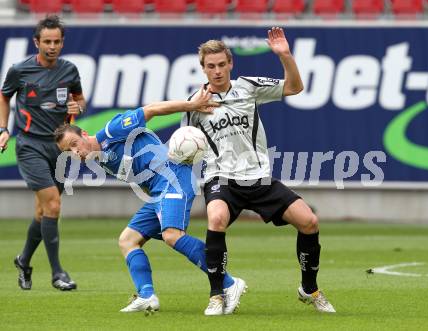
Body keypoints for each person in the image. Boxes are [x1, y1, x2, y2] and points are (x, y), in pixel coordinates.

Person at [183, 27, 336, 315]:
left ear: (231, 64)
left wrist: (285, 56)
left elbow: (295, 88)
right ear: (203, 68)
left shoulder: (248, 87)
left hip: (259, 177)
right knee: (216, 219)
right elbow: (185, 146)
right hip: (221, 177)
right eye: (210, 66)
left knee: (309, 221)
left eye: (221, 64)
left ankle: (309, 288)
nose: (216, 71)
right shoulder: (195, 104)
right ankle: (217, 295)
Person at [54, 88, 246, 313]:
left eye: (75, 143)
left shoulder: (111, 131)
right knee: (128, 240)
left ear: (84, 134)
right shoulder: (100, 160)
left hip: (173, 179)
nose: (76, 152)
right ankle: (147, 296)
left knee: (172, 236)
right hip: (158, 192)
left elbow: (152, 109)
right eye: (69, 151)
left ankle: (230, 283)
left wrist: (192, 105)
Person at [0, 15, 86, 291]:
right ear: (36, 42)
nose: (52, 46)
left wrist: (77, 108)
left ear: (62, 42)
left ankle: (23, 260)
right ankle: (57, 273)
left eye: (57, 41)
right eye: (47, 41)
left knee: (43, 210)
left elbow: (79, 100)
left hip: (59, 148)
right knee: (53, 206)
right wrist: (3, 129)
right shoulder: (19, 70)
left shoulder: (70, 70)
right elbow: (4, 96)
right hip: (30, 145)